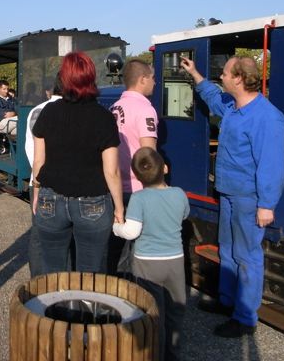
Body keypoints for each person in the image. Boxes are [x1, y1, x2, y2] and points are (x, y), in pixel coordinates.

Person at [180, 55, 284, 338]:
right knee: (227, 248)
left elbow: (272, 166)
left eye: (226, 73)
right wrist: (196, 75)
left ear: (239, 78)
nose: (222, 77)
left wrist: (266, 205)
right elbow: (214, 97)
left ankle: (245, 318)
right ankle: (227, 301)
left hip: (248, 198)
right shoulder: (232, 107)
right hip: (228, 192)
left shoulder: (267, 118)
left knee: (247, 256)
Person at [32, 52, 124, 273]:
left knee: (52, 271)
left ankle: (54, 307)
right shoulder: (104, 117)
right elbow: (111, 171)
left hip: (51, 198)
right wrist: (119, 208)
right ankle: (84, 306)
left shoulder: (48, 112)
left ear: (64, 79)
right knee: (90, 273)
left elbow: (38, 162)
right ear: (91, 78)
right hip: (93, 202)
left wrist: (37, 194)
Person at [113, 148, 189, 361]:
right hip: (175, 262)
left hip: (147, 264)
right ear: (165, 168)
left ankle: (154, 353)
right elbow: (184, 215)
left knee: (153, 313)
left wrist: (116, 227)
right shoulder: (179, 194)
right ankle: (172, 354)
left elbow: (132, 232)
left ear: (137, 177)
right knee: (175, 311)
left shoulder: (139, 198)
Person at [108, 59, 158, 274]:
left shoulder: (114, 107)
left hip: (116, 187)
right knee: (138, 251)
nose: (155, 83)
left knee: (115, 247)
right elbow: (148, 154)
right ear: (142, 79)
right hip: (138, 189)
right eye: (153, 78)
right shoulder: (146, 110)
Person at [25, 76, 63, 276]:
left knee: (38, 235)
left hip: (37, 180)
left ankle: (38, 280)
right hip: (60, 182)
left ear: (50, 91)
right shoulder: (66, 111)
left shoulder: (35, 111)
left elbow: (32, 151)